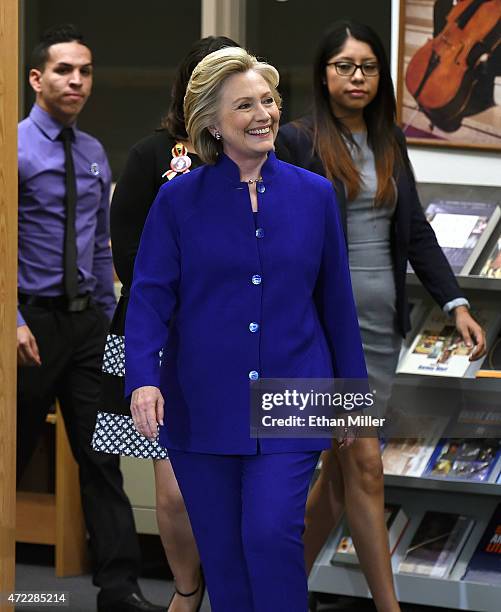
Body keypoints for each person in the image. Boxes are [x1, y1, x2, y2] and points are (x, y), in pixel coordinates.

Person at [124, 46, 368, 612]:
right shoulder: (177, 200)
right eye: (245, 106)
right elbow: (149, 298)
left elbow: (337, 303)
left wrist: (352, 401)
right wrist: (143, 378)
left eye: (269, 100)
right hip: (202, 400)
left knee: (269, 536)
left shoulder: (315, 195)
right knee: (225, 554)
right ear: (211, 121)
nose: (264, 114)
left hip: (295, 393)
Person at [276, 19, 486, 612]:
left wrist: (457, 302)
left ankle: (272, 593)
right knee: (364, 465)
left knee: (339, 484)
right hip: (322, 330)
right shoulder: (297, 140)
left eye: (368, 67)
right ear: (323, 74)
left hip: (379, 325)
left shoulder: (389, 137)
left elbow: (415, 230)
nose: (358, 77)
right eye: (345, 66)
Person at [17, 24, 163, 612]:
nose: (76, 81)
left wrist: (110, 323)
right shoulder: (15, 147)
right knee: (14, 452)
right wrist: (11, 321)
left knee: (104, 458)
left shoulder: (96, 151)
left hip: (88, 327)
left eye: (85, 71)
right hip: (30, 325)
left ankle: (118, 589)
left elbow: (103, 247)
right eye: (63, 70)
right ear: (37, 78)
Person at [91, 35, 238, 612]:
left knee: (233, 488)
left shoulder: (254, 155)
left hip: (234, 342)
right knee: (175, 492)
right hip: (158, 339)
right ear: (189, 89)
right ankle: (187, 589)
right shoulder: (154, 153)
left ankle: (232, 588)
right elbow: (128, 255)